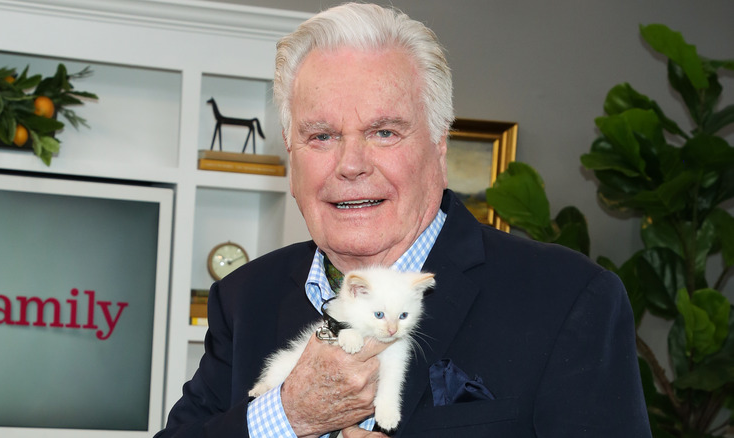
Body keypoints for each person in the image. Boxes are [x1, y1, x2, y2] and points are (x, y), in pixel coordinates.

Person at [155, 3, 651, 437]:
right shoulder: (245, 298)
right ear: (290, 155)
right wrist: (285, 417)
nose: (350, 165)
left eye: (384, 132)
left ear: (439, 147)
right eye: (321, 136)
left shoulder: (568, 298)